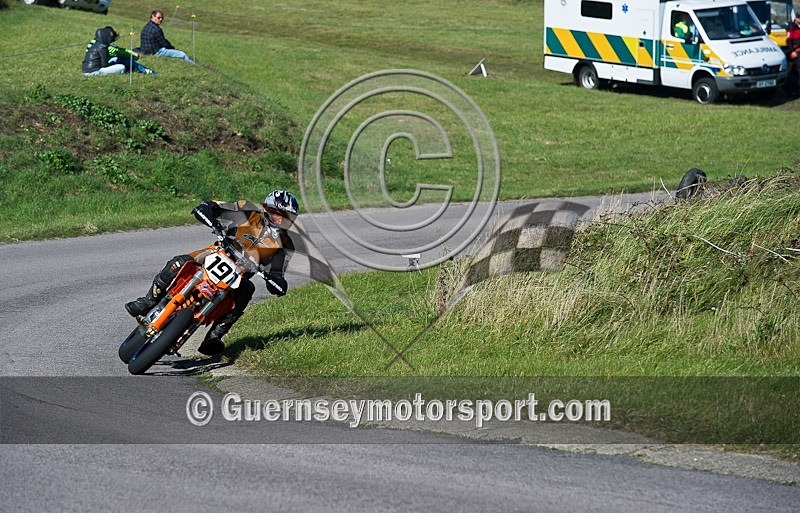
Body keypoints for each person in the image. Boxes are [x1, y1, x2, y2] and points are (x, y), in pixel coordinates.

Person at [125, 190, 299, 355]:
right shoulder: (246, 210)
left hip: (240, 276)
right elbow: (208, 207)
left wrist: (274, 280)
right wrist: (213, 222)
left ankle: (214, 336)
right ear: (267, 209)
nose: (280, 220)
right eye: (277, 214)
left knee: (247, 291)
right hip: (218, 252)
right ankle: (149, 300)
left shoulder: (285, 245)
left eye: (286, 218)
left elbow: (279, 276)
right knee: (180, 262)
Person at [85, 27, 157, 75]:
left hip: (89, 69)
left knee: (116, 59)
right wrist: (133, 55)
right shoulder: (103, 46)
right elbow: (105, 63)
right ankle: (146, 71)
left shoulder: (95, 43)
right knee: (122, 66)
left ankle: (143, 70)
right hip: (95, 71)